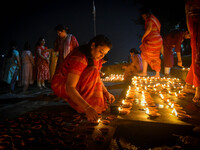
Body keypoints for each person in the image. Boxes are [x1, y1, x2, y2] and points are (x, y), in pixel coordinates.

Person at [51, 35, 115, 122]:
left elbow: (97, 78)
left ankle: (86, 103)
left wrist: (106, 92)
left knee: (94, 73)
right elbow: (70, 86)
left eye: (104, 54)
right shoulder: (80, 58)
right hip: (62, 84)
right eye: (101, 51)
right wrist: (87, 107)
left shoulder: (95, 58)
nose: (102, 56)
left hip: (73, 83)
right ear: (93, 45)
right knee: (93, 71)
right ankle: (82, 106)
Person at [138, 9, 163, 78]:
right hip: (158, 39)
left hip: (152, 39)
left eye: (144, 16)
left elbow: (149, 29)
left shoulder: (149, 19)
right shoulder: (155, 19)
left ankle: (144, 72)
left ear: (147, 14)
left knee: (144, 54)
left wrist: (143, 37)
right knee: (156, 56)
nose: (144, 18)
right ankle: (157, 74)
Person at [184, 0, 200, 100]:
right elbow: (187, 15)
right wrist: (191, 31)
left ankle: (189, 85)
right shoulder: (189, 3)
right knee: (197, 54)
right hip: (194, 23)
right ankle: (198, 88)